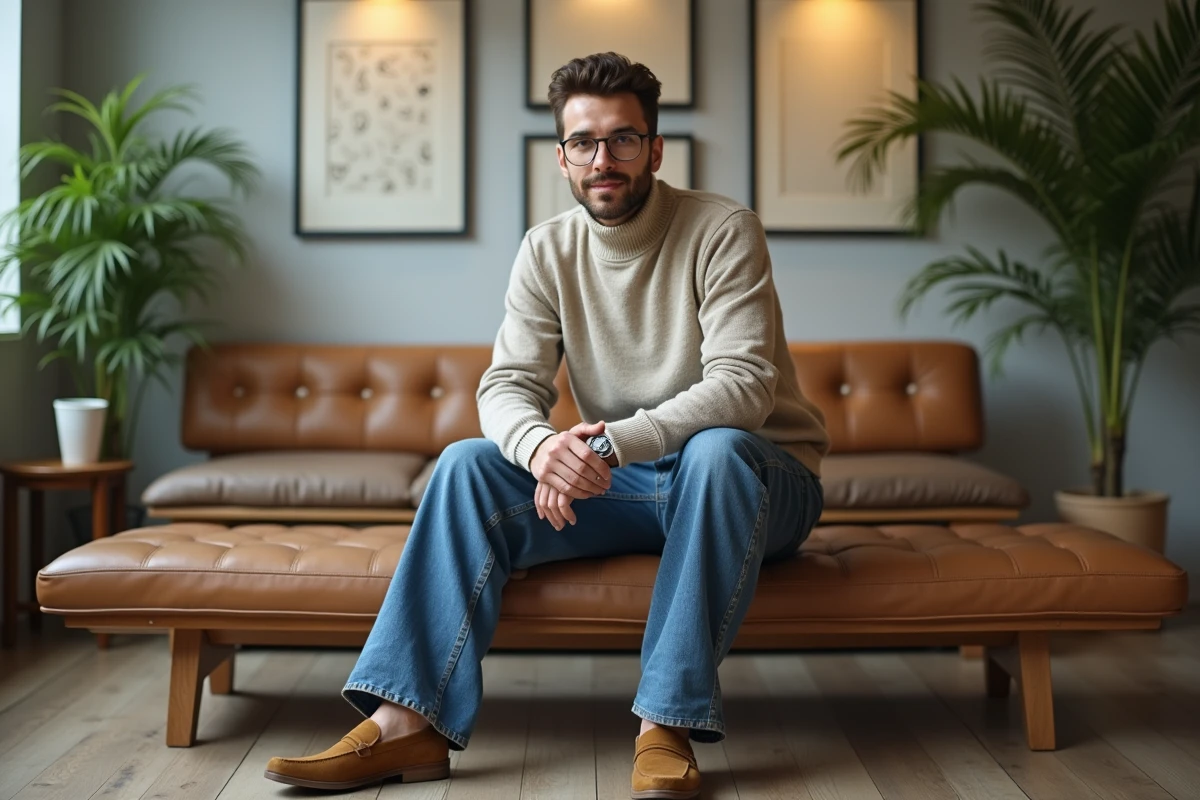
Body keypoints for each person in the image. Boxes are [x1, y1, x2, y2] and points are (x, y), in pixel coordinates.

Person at [265, 51, 829, 799]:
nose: (603, 160)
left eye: (623, 139)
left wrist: (610, 444)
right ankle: (406, 724)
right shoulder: (545, 248)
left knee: (718, 452)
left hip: (755, 481)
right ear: (562, 157)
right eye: (583, 142)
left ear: (655, 149)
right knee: (465, 465)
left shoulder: (723, 229)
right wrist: (538, 451)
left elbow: (744, 386)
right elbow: (507, 385)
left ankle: (664, 725)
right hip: (631, 481)